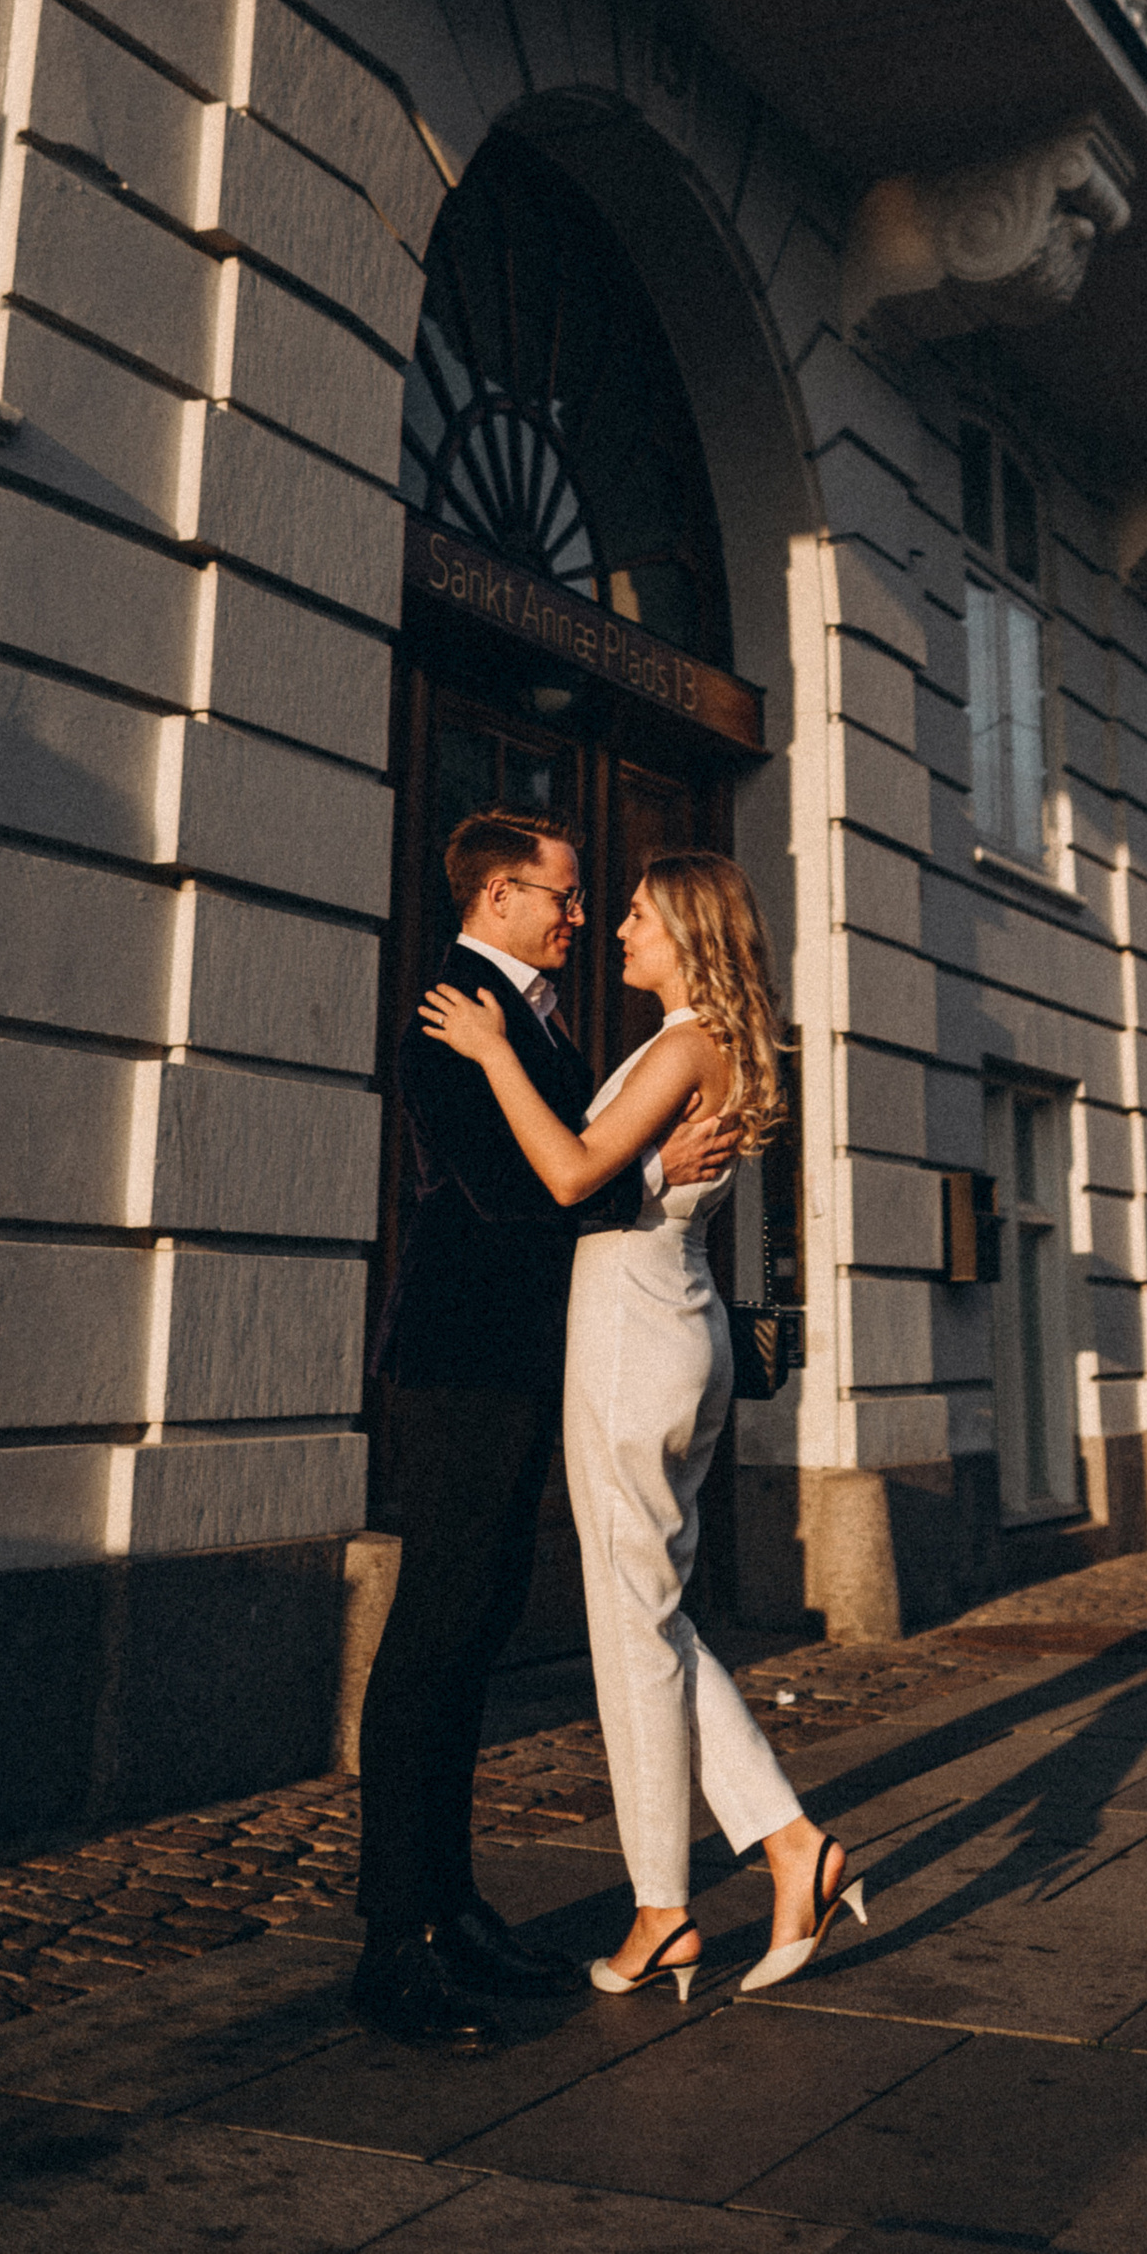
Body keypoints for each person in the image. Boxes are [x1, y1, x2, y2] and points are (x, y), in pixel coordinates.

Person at [422, 849, 865, 2006]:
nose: (614, 927)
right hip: (675, 1325)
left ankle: (688, 1897)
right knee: (652, 1619)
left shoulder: (681, 1044)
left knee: (635, 1635)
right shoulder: (710, 1037)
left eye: (633, 914)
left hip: (633, 1341)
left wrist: (492, 1053)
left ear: (687, 928)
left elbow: (572, 1174)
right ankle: (764, 1861)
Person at [352, 810, 733, 2052]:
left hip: (523, 1368)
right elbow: (514, 1192)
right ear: (499, 897)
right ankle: (392, 1944)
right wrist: (654, 1173)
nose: (579, 914)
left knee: (476, 1632)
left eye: (580, 898)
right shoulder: (450, 1010)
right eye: (563, 895)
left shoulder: (541, 1020)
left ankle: (453, 1908)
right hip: (460, 1366)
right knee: (430, 1640)